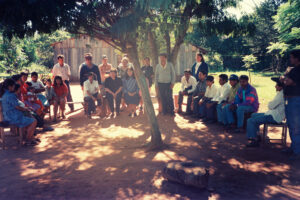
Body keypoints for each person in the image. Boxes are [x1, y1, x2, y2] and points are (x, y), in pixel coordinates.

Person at [246, 78, 285, 147]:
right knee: (253, 115)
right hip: (272, 114)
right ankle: (257, 135)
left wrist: (270, 103)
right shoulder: (281, 93)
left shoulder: (281, 95)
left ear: (281, 87)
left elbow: (270, 106)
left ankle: (254, 139)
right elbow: (272, 106)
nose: (275, 86)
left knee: (250, 120)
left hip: (274, 117)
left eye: (277, 85)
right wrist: (271, 104)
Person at [1, 79, 38, 146]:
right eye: (13, 86)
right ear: (10, 87)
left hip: (7, 117)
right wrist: (26, 109)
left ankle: (27, 138)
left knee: (28, 118)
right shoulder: (10, 95)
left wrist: (25, 109)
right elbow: (17, 107)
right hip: (13, 118)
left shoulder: (4, 95)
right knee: (34, 121)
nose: (14, 88)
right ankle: (28, 140)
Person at [282, 49, 300, 160]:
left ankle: (297, 151)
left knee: (295, 126)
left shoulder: (297, 70)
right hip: (291, 100)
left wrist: (283, 78)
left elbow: (289, 82)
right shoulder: (294, 69)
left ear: (297, 58)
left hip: (295, 100)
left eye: (292, 57)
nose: (290, 59)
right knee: (291, 124)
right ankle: (294, 147)